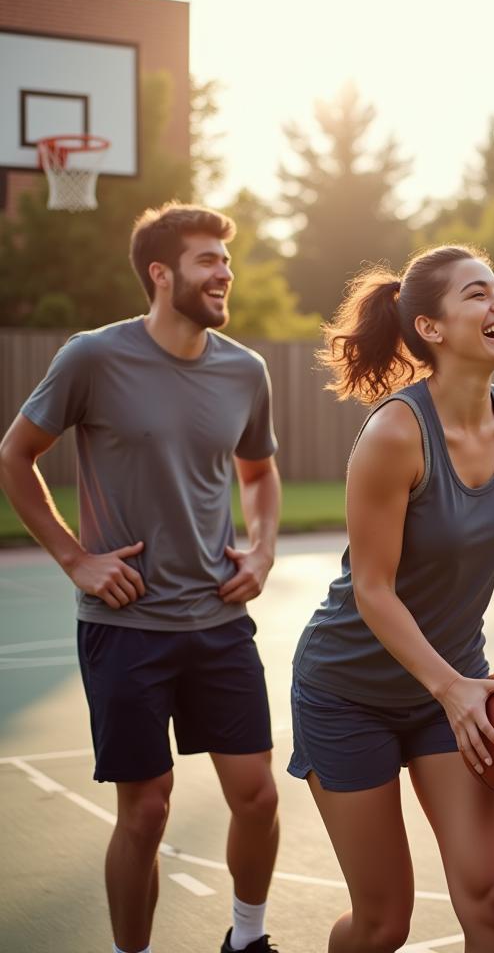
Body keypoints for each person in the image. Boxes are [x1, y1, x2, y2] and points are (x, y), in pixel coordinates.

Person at [288, 244, 494, 953]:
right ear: (430, 328)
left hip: (455, 684)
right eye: (477, 295)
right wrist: (451, 688)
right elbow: (371, 589)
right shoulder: (395, 434)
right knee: (383, 925)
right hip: (349, 690)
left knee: (492, 897)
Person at [0, 203, 283, 953]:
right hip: (126, 627)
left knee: (256, 796)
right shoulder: (92, 357)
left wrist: (262, 550)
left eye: (226, 260)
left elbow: (259, 472)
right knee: (147, 811)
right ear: (161, 274)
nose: (224, 272)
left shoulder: (244, 370)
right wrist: (74, 557)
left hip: (219, 621)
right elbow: (14, 456)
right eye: (206, 260)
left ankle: (247, 940)